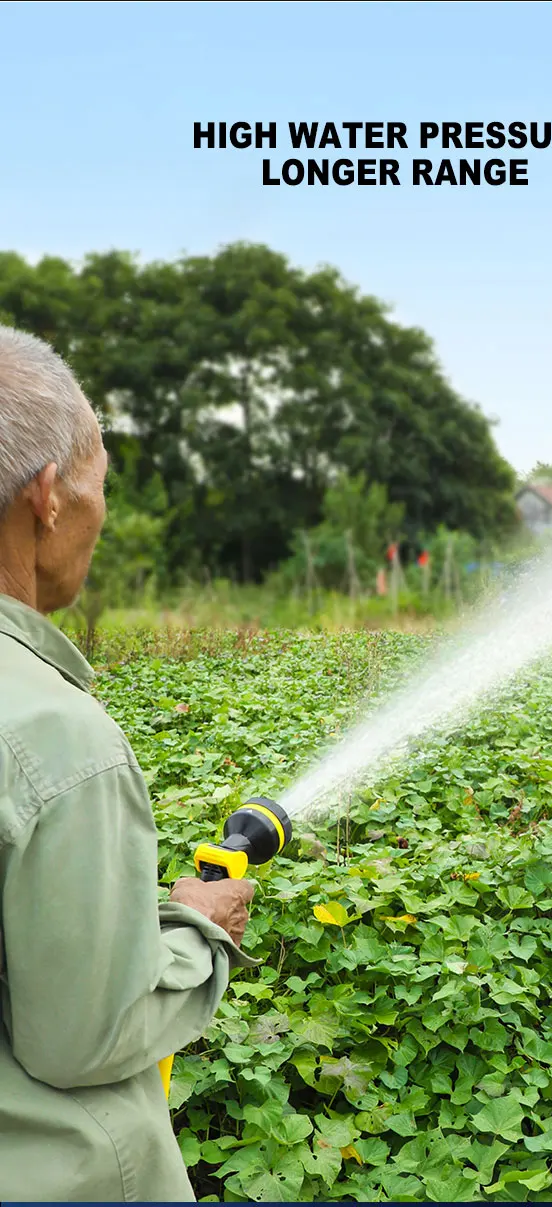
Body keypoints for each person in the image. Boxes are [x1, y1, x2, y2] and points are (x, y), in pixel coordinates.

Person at [0, 325, 258, 1202]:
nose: (99, 514)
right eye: (97, 481)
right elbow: (83, 1036)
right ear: (46, 497)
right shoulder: (50, 737)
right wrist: (194, 928)